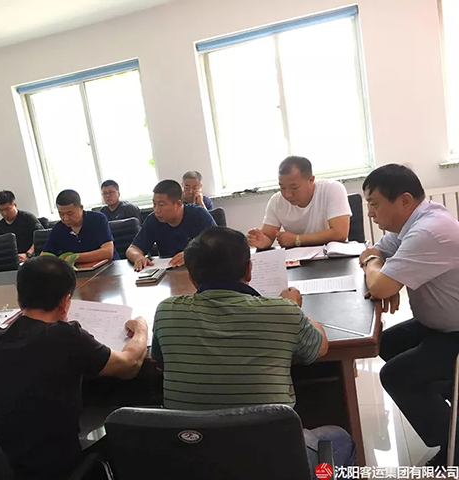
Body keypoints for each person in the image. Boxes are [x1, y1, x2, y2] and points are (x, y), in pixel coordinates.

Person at [152, 226, 356, 470]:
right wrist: (293, 307)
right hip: (272, 462)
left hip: (196, 461)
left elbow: (160, 361)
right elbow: (320, 346)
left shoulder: (166, 311)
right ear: (249, 270)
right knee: (341, 440)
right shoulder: (281, 311)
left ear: (192, 278)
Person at [0, 256, 147, 480]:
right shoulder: (66, 336)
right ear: (66, 301)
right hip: (54, 471)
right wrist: (141, 328)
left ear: (19, 298)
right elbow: (130, 365)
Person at [359, 164, 459, 467]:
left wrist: (382, 276)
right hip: (439, 325)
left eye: (374, 204)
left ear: (404, 200)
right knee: (387, 343)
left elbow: (379, 284)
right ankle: (451, 404)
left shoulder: (428, 230)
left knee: (396, 375)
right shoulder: (411, 224)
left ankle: (454, 445)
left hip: (454, 332)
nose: (370, 214)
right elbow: (374, 251)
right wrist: (380, 268)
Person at [247, 156, 351, 249]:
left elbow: (340, 233)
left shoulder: (332, 189)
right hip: (298, 259)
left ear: (311, 180)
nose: (288, 194)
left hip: (332, 256)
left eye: (294, 187)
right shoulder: (276, 201)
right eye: (282, 187)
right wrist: (261, 240)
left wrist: (297, 239)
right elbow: (268, 236)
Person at [126, 180, 216, 271]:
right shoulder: (153, 220)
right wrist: (138, 257)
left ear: (178, 204)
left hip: (200, 271)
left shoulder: (198, 215)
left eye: (161, 205)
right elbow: (132, 249)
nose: (156, 210)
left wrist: (191, 254)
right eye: (154, 204)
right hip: (169, 273)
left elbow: (218, 244)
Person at [43, 189, 118, 262]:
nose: (65, 218)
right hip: (78, 269)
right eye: (61, 214)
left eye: (70, 213)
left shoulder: (98, 219)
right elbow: (44, 256)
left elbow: (108, 252)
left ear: (80, 208)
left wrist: (74, 258)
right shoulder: (58, 228)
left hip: (109, 266)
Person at [0, 190, 43, 262]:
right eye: (1, 210)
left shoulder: (29, 219)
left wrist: (28, 254)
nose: (4, 213)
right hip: (11, 261)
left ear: (15, 205)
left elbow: (41, 238)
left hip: (32, 257)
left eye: (7, 209)